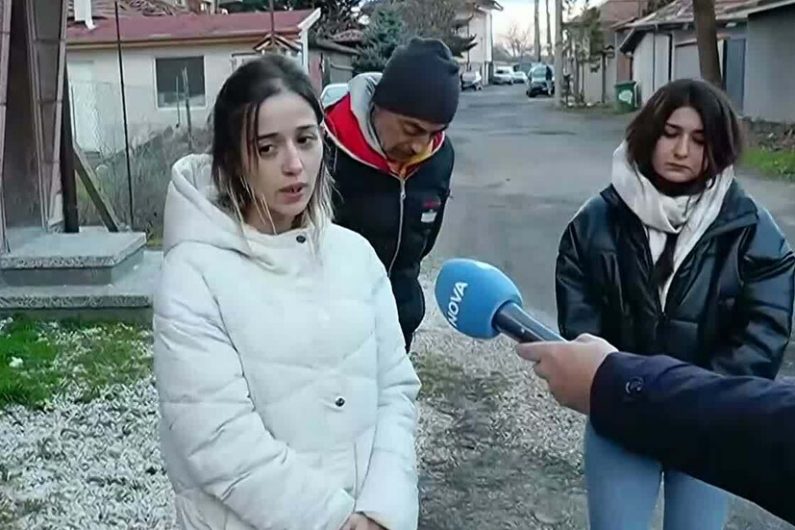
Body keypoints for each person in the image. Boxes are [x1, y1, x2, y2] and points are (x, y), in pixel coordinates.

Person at [153, 54, 421, 530]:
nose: (294, 164)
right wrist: (336, 521)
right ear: (231, 158)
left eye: (305, 140)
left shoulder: (354, 255)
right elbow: (218, 437)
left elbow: (396, 391)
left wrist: (383, 509)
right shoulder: (193, 275)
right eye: (267, 148)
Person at [555, 78, 795, 530]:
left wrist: (701, 399)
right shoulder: (594, 222)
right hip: (620, 417)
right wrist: (619, 384)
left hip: (708, 423)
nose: (682, 150)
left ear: (719, 147)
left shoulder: (753, 232)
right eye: (671, 133)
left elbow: (765, 330)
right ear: (649, 134)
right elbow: (580, 319)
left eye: (699, 139)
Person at [516, 336, 795, 526]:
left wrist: (618, 378)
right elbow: (581, 296)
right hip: (626, 411)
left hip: (698, 417)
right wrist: (610, 371)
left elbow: (762, 335)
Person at [324, 37, 460, 351]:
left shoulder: (440, 157)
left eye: (434, 132)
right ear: (379, 106)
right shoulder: (325, 146)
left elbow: (423, 243)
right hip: (332, 332)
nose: (419, 145)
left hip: (399, 327)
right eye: (411, 129)